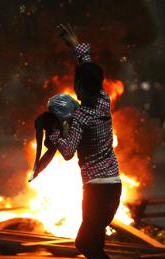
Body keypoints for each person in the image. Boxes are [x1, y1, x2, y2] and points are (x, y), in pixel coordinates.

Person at [49, 24, 122, 259]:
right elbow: (88, 67)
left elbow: (68, 152)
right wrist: (75, 43)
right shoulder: (103, 100)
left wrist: (54, 135)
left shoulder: (81, 116)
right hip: (113, 186)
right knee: (95, 243)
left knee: (84, 244)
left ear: (78, 86)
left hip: (95, 191)